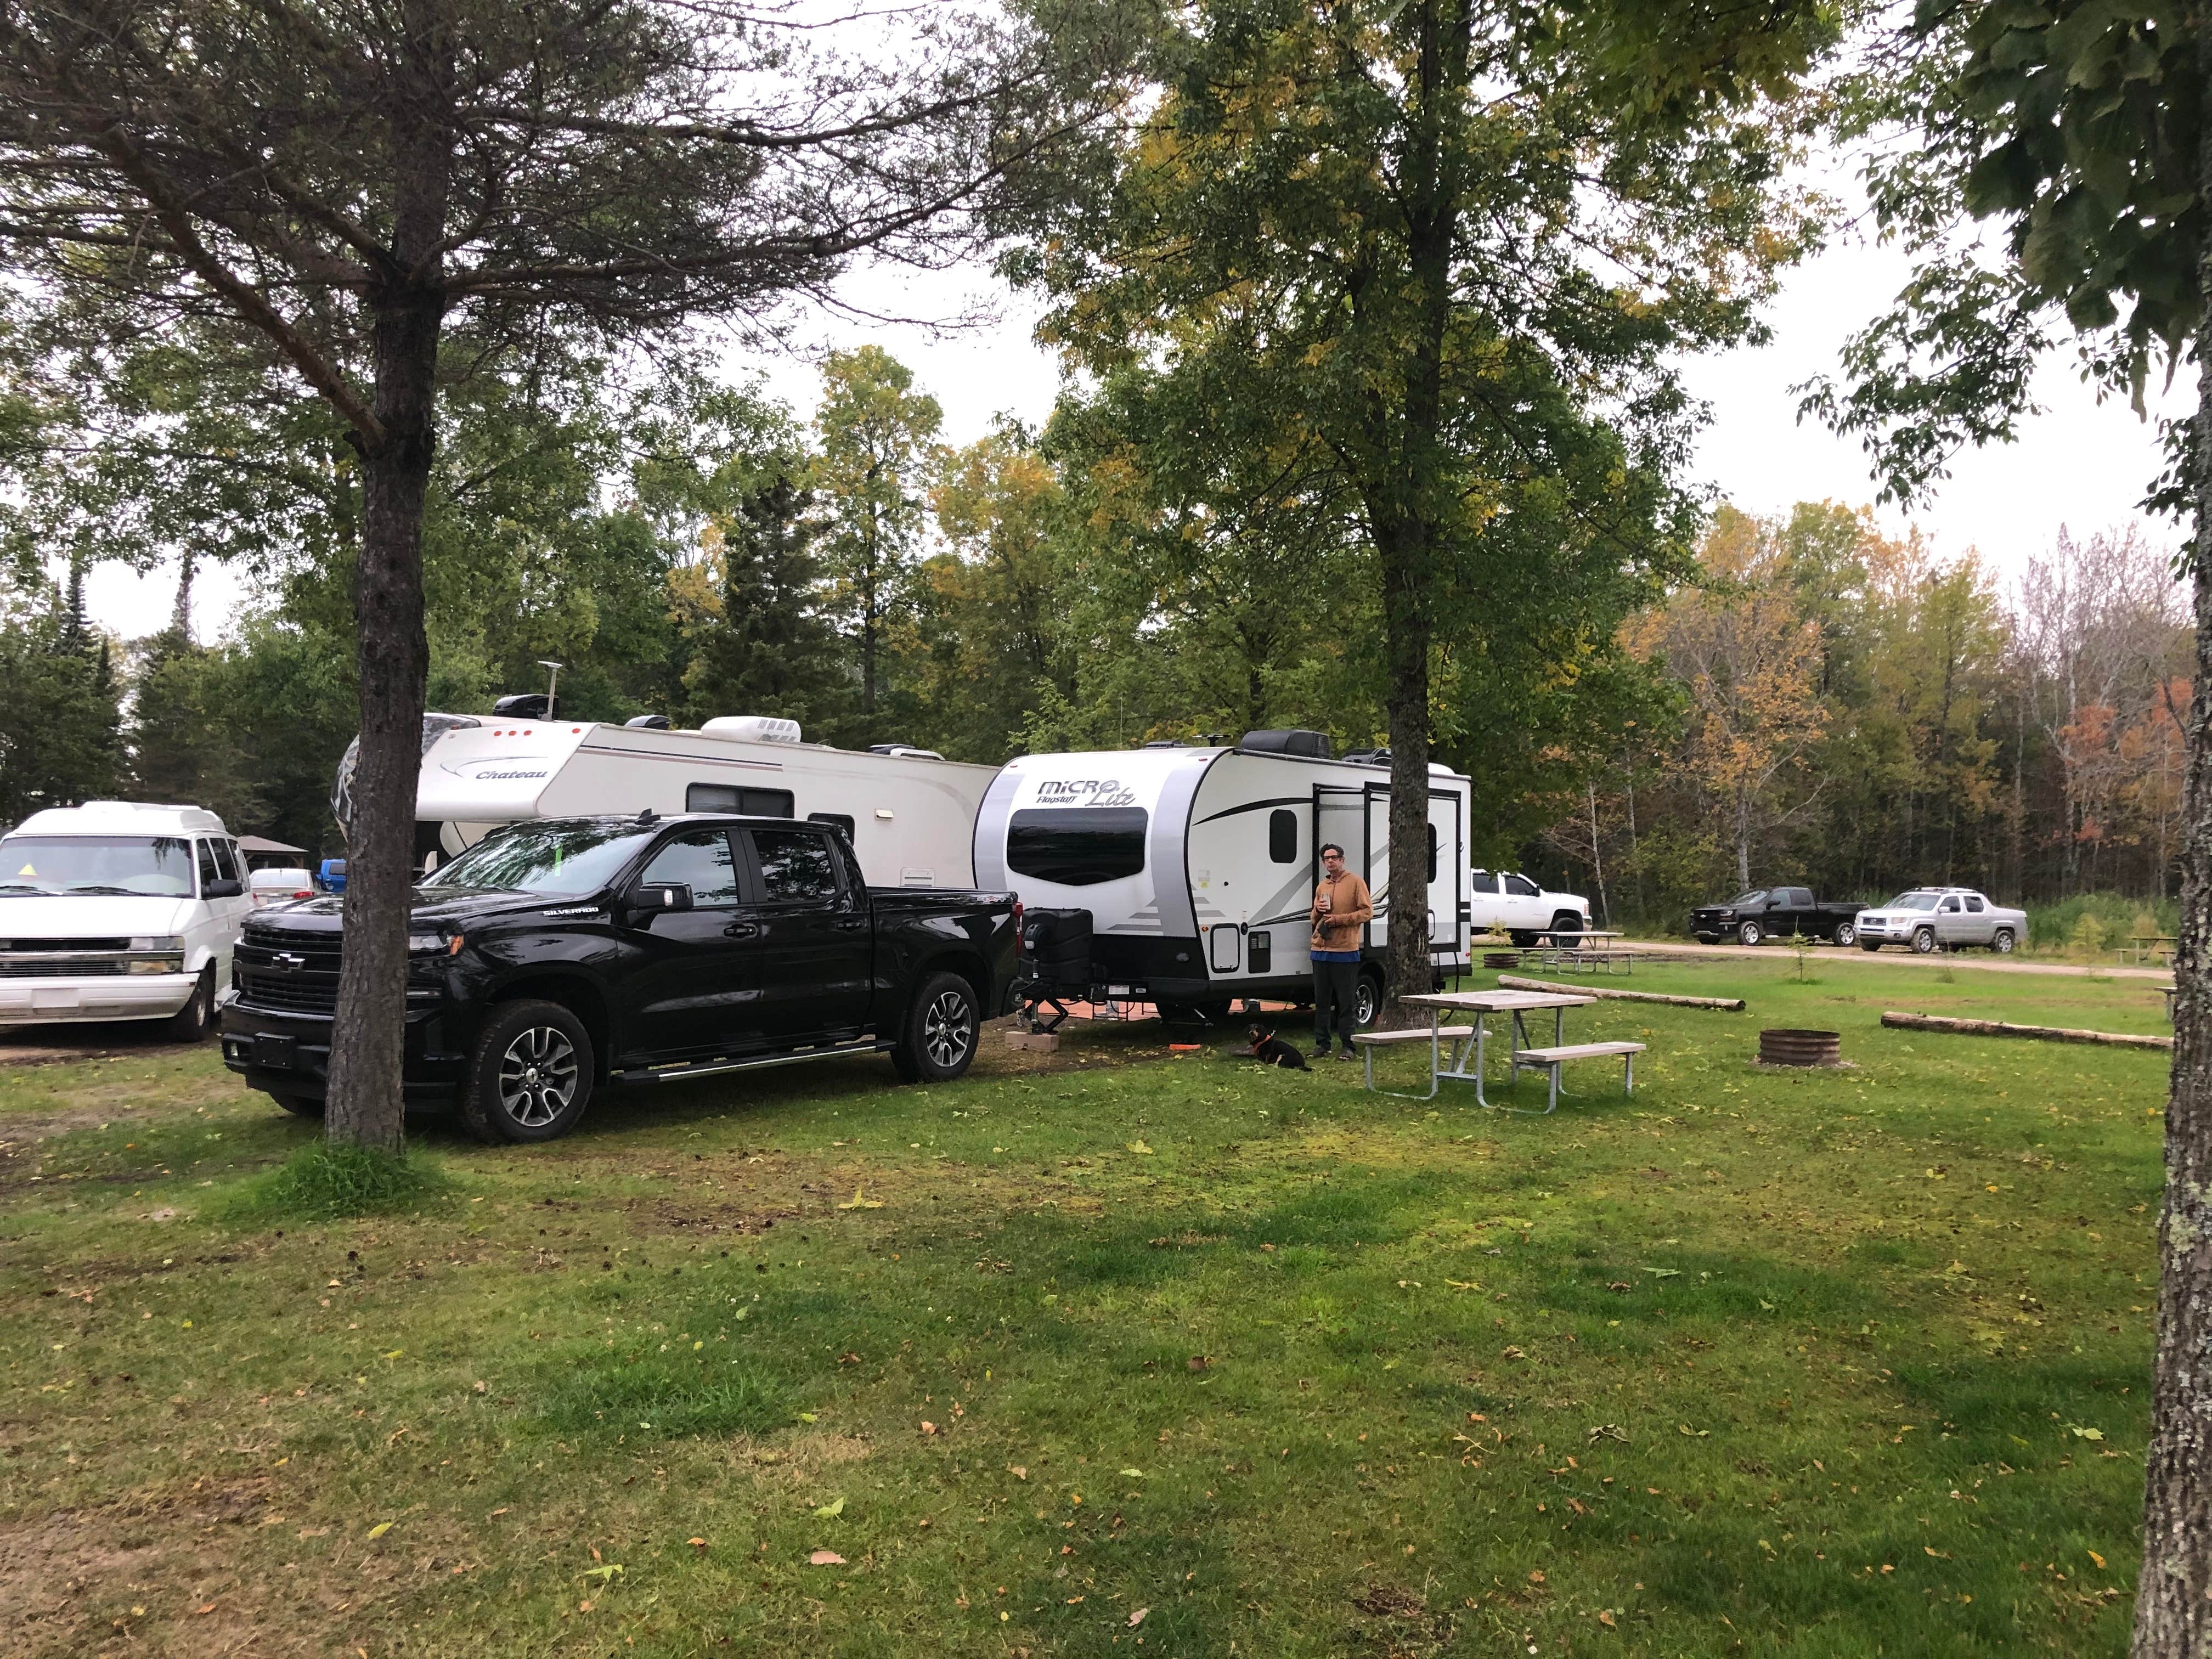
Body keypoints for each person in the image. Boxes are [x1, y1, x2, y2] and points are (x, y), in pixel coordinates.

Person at [1309, 843, 1373, 1059]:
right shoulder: (1322, 887)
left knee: (1346, 1003)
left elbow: (1367, 912)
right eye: (1326, 859)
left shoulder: (1356, 882)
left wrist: (1340, 920)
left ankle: (1348, 1046)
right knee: (1321, 1002)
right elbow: (1313, 919)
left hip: (1345, 951)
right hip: (1320, 950)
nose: (1330, 862)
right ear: (1323, 863)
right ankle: (1322, 1044)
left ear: (1342, 860)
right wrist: (1317, 910)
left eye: (1334, 858)